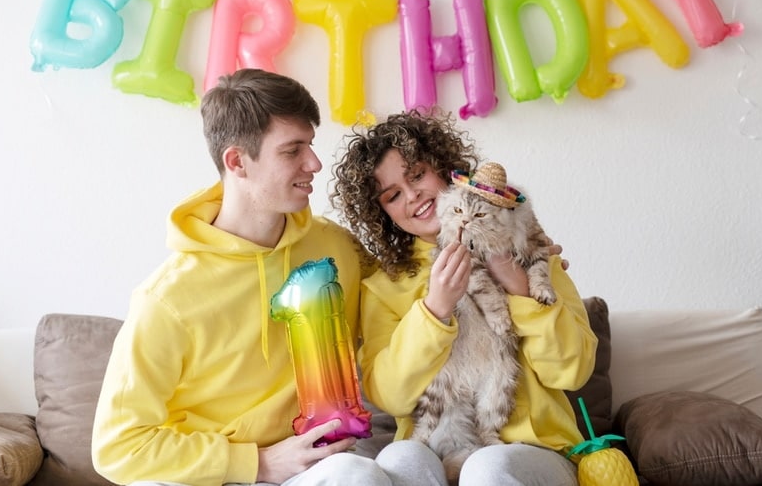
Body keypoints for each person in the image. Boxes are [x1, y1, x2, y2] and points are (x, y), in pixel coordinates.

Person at [91, 69, 421, 486]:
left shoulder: (337, 248)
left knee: (359, 474)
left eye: (311, 145)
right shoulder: (167, 298)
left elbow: (405, 300)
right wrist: (257, 463)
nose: (314, 163)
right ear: (237, 161)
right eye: (292, 150)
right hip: (218, 474)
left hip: (319, 466)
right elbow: (117, 447)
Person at [330, 110, 598, 486]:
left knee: (487, 467)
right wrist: (433, 311)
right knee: (398, 457)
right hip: (436, 452)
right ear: (384, 214)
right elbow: (392, 398)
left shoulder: (532, 253)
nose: (414, 196)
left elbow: (571, 370)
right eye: (392, 195)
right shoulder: (384, 287)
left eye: (418, 174)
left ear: (445, 169)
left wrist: (519, 289)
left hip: (532, 453)